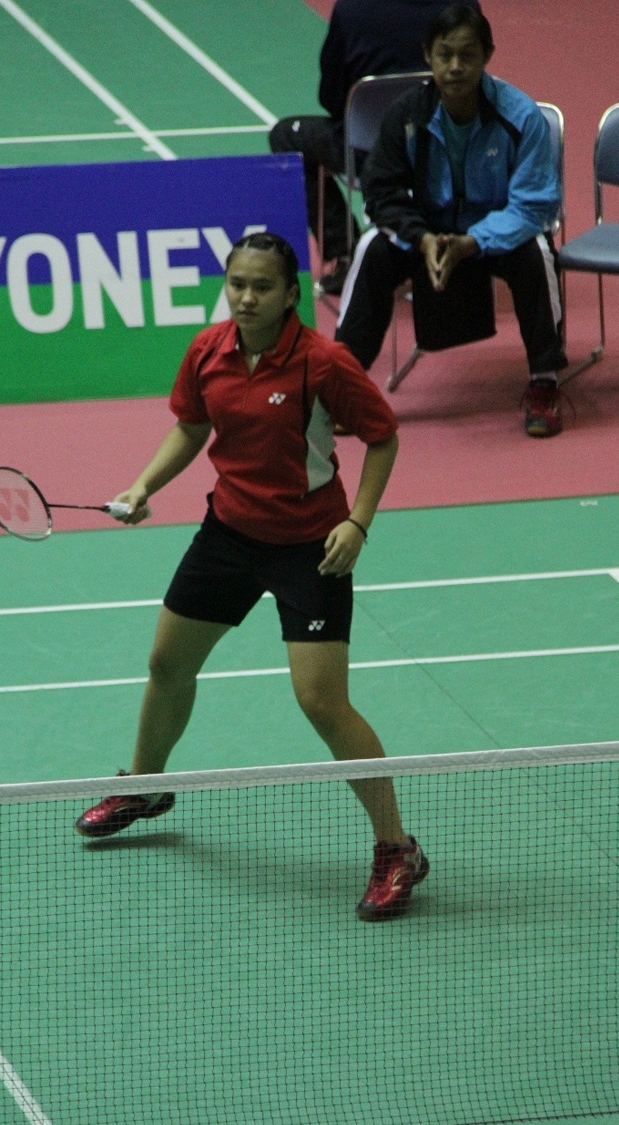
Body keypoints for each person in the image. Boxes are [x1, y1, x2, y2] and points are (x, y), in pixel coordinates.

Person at [74, 232, 428, 921]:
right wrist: (143, 485)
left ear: (291, 294)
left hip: (310, 546)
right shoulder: (208, 351)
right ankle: (145, 784)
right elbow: (191, 426)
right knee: (167, 663)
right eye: (236, 283)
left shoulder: (323, 363)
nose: (245, 297)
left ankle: (397, 846)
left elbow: (382, 437)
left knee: (322, 702)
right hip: (230, 534)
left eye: (261, 287)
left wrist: (357, 523)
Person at [335, 4, 569, 438]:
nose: (456, 66)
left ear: (487, 56)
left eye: (467, 55)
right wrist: (423, 238)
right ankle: (343, 385)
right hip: (428, 234)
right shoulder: (406, 115)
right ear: (429, 55)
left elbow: (534, 205)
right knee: (372, 248)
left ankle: (544, 381)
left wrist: (474, 241)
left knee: (537, 253)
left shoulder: (521, 116)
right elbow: (382, 193)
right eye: (445, 54)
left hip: (495, 233)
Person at [268, 0, 481, 295]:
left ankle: (345, 255)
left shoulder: (352, 8)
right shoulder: (463, 5)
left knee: (286, 136)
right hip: (451, 148)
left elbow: (332, 97)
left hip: (369, 156)